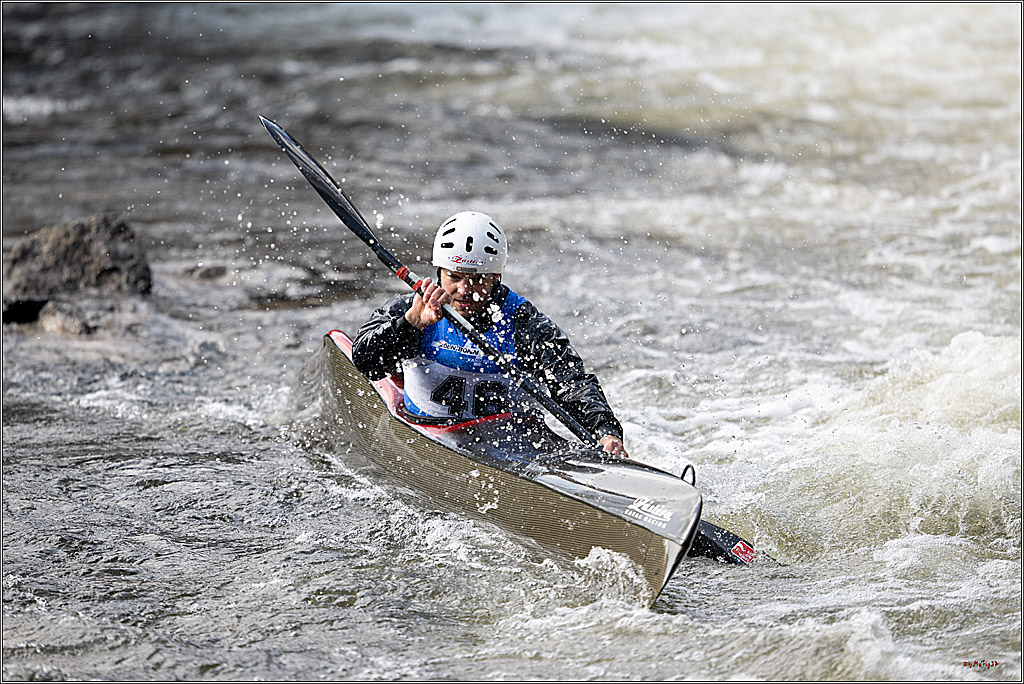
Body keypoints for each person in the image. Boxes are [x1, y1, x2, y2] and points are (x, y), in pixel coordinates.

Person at [351, 211, 628, 457]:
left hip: (514, 445)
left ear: (496, 276)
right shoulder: (411, 310)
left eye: (477, 279)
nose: (464, 290)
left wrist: (605, 431)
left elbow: (571, 382)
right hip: (433, 436)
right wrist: (411, 324)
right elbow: (366, 363)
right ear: (439, 272)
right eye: (455, 277)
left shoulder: (524, 323)